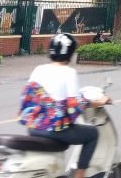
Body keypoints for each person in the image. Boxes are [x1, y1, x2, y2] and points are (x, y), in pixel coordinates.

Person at [19, 33, 109, 178]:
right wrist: (100, 101)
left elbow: (28, 98)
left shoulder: (39, 69)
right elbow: (75, 103)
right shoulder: (69, 72)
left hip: (33, 129)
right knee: (92, 134)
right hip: (54, 130)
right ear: (70, 53)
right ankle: (80, 174)